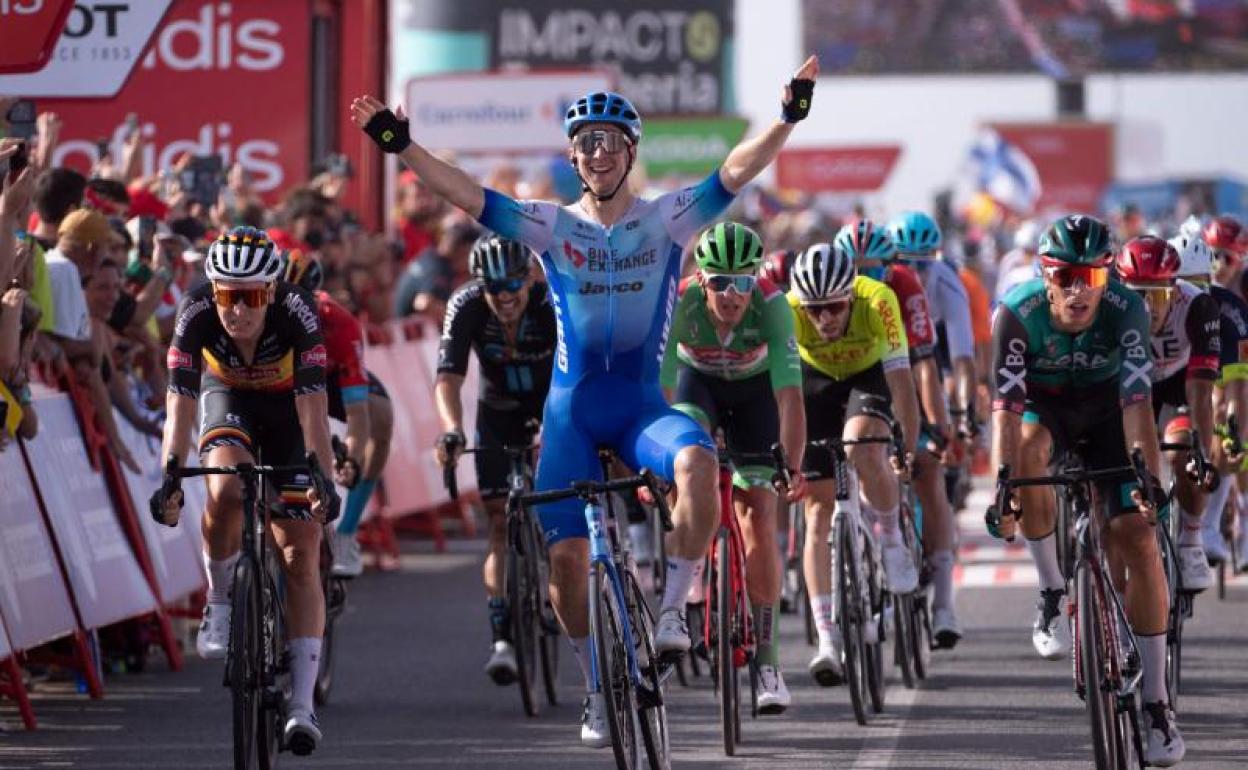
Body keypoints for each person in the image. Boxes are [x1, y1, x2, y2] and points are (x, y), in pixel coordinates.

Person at [352, 53, 819, 747]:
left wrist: (787, 116)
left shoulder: (667, 220)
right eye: (584, 142)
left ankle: (669, 612)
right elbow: (466, 194)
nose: (596, 152)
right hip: (570, 415)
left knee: (695, 465)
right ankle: (593, 684)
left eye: (608, 141)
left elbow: (735, 170)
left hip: (639, 408)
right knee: (566, 563)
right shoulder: (549, 226)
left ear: (630, 151)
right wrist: (402, 146)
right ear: (572, 156)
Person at [989, 215, 1183, 766]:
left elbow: (1138, 402)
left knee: (1137, 539)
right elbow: (1003, 412)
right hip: (1044, 409)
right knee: (1026, 454)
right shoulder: (1016, 315)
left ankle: (1156, 705)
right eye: (1067, 277)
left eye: (1092, 278)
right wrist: (1004, 490)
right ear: (1046, 277)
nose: (1079, 291)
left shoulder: (1127, 309)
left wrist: (1148, 477)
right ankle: (1053, 591)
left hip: (1108, 415)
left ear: (1107, 279)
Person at [148, 226, 341, 756]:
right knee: (227, 487)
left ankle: (302, 705)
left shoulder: (299, 313)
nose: (238, 310)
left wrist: (322, 477)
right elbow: (179, 406)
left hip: (286, 413)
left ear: (272, 292)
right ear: (214, 292)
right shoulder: (195, 315)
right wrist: (171, 472)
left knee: (301, 553)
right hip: (226, 398)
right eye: (228, 296)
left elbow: (314, 414)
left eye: (251, 296)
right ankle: (219, 598)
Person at [659, 221, 806, 713]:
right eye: (719, 281)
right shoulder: (679, 302)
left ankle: (767, 661)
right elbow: (657, 388)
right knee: (687, 465)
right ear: (701, 280)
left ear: (754, 280)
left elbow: (789, 396)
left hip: (753, 397)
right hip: (695, 386)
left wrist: (789, 463)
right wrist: (658, 462)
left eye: (741, 282)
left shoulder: (773, 306)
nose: (730, 293)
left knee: (758, 517)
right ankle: (680, 597)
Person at [787, 241, 922, 684]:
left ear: (851, 296)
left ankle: (889, 536)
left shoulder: (877, 300)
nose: (824, 318)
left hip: (869, 377)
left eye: (833, 307)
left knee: (861, 445)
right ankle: (826, 637)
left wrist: (905, 445)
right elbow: (780, 395)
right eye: (814, 310)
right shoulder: (787, 311)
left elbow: (903, 382)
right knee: (817, 510)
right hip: (814, 382)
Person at [433, 234, 556, 686]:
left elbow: (577, 371)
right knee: (500, 522)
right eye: (493, 288)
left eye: (512, 287)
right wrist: (451, 428)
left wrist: (561, 426)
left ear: (529, 278)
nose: (504, 297)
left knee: (562, 511)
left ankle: (559, 585)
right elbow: (448, 377)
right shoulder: (467, 304)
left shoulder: (550, 302)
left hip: (552, 408)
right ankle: (501, 637)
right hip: (497, 411)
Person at [835, 219, 963, 647]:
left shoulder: (904, 286)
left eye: (872, 271)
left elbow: (924, 365)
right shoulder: (827, 297)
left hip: (898, 376)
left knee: (927, 469)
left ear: (889, 269)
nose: (861, 281)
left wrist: (939, 427)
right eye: (853, 270)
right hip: (848, 381)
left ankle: (944, 604)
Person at [1115, 236, 1221, 593]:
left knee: (1183, 453)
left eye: (1157, 296)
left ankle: (1191, 540)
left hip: (1178, 382)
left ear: (1175, 291)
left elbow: (1201, 392)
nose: (1147, 308)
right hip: (1132, 383)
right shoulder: (1109, 306)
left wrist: (1203, 454)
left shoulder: (1198, 306)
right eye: (1138, 296)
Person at [281, 250, 394, 578]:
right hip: (283, 379)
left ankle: (346, 532)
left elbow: (358, 414)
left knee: (381, 418)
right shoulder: (263, 316)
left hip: (329, 378)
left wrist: (354, 460)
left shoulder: (340, 323)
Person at [1170, 229, 1248, 568]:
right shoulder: (1151, 303)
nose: (1189, 292)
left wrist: (1233, 429)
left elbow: (1235, 383)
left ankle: (1215, 524)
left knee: (1226, 420)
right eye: (1180, 282)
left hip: (1218, 371)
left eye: (1197, 282)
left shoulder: (1228, 308)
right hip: (1172, 382)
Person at [392, 219, 481, 323]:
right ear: (464, 250)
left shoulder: (432, 258)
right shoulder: (436, 266)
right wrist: (461, 322)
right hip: (409, 331)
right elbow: (423, 303)